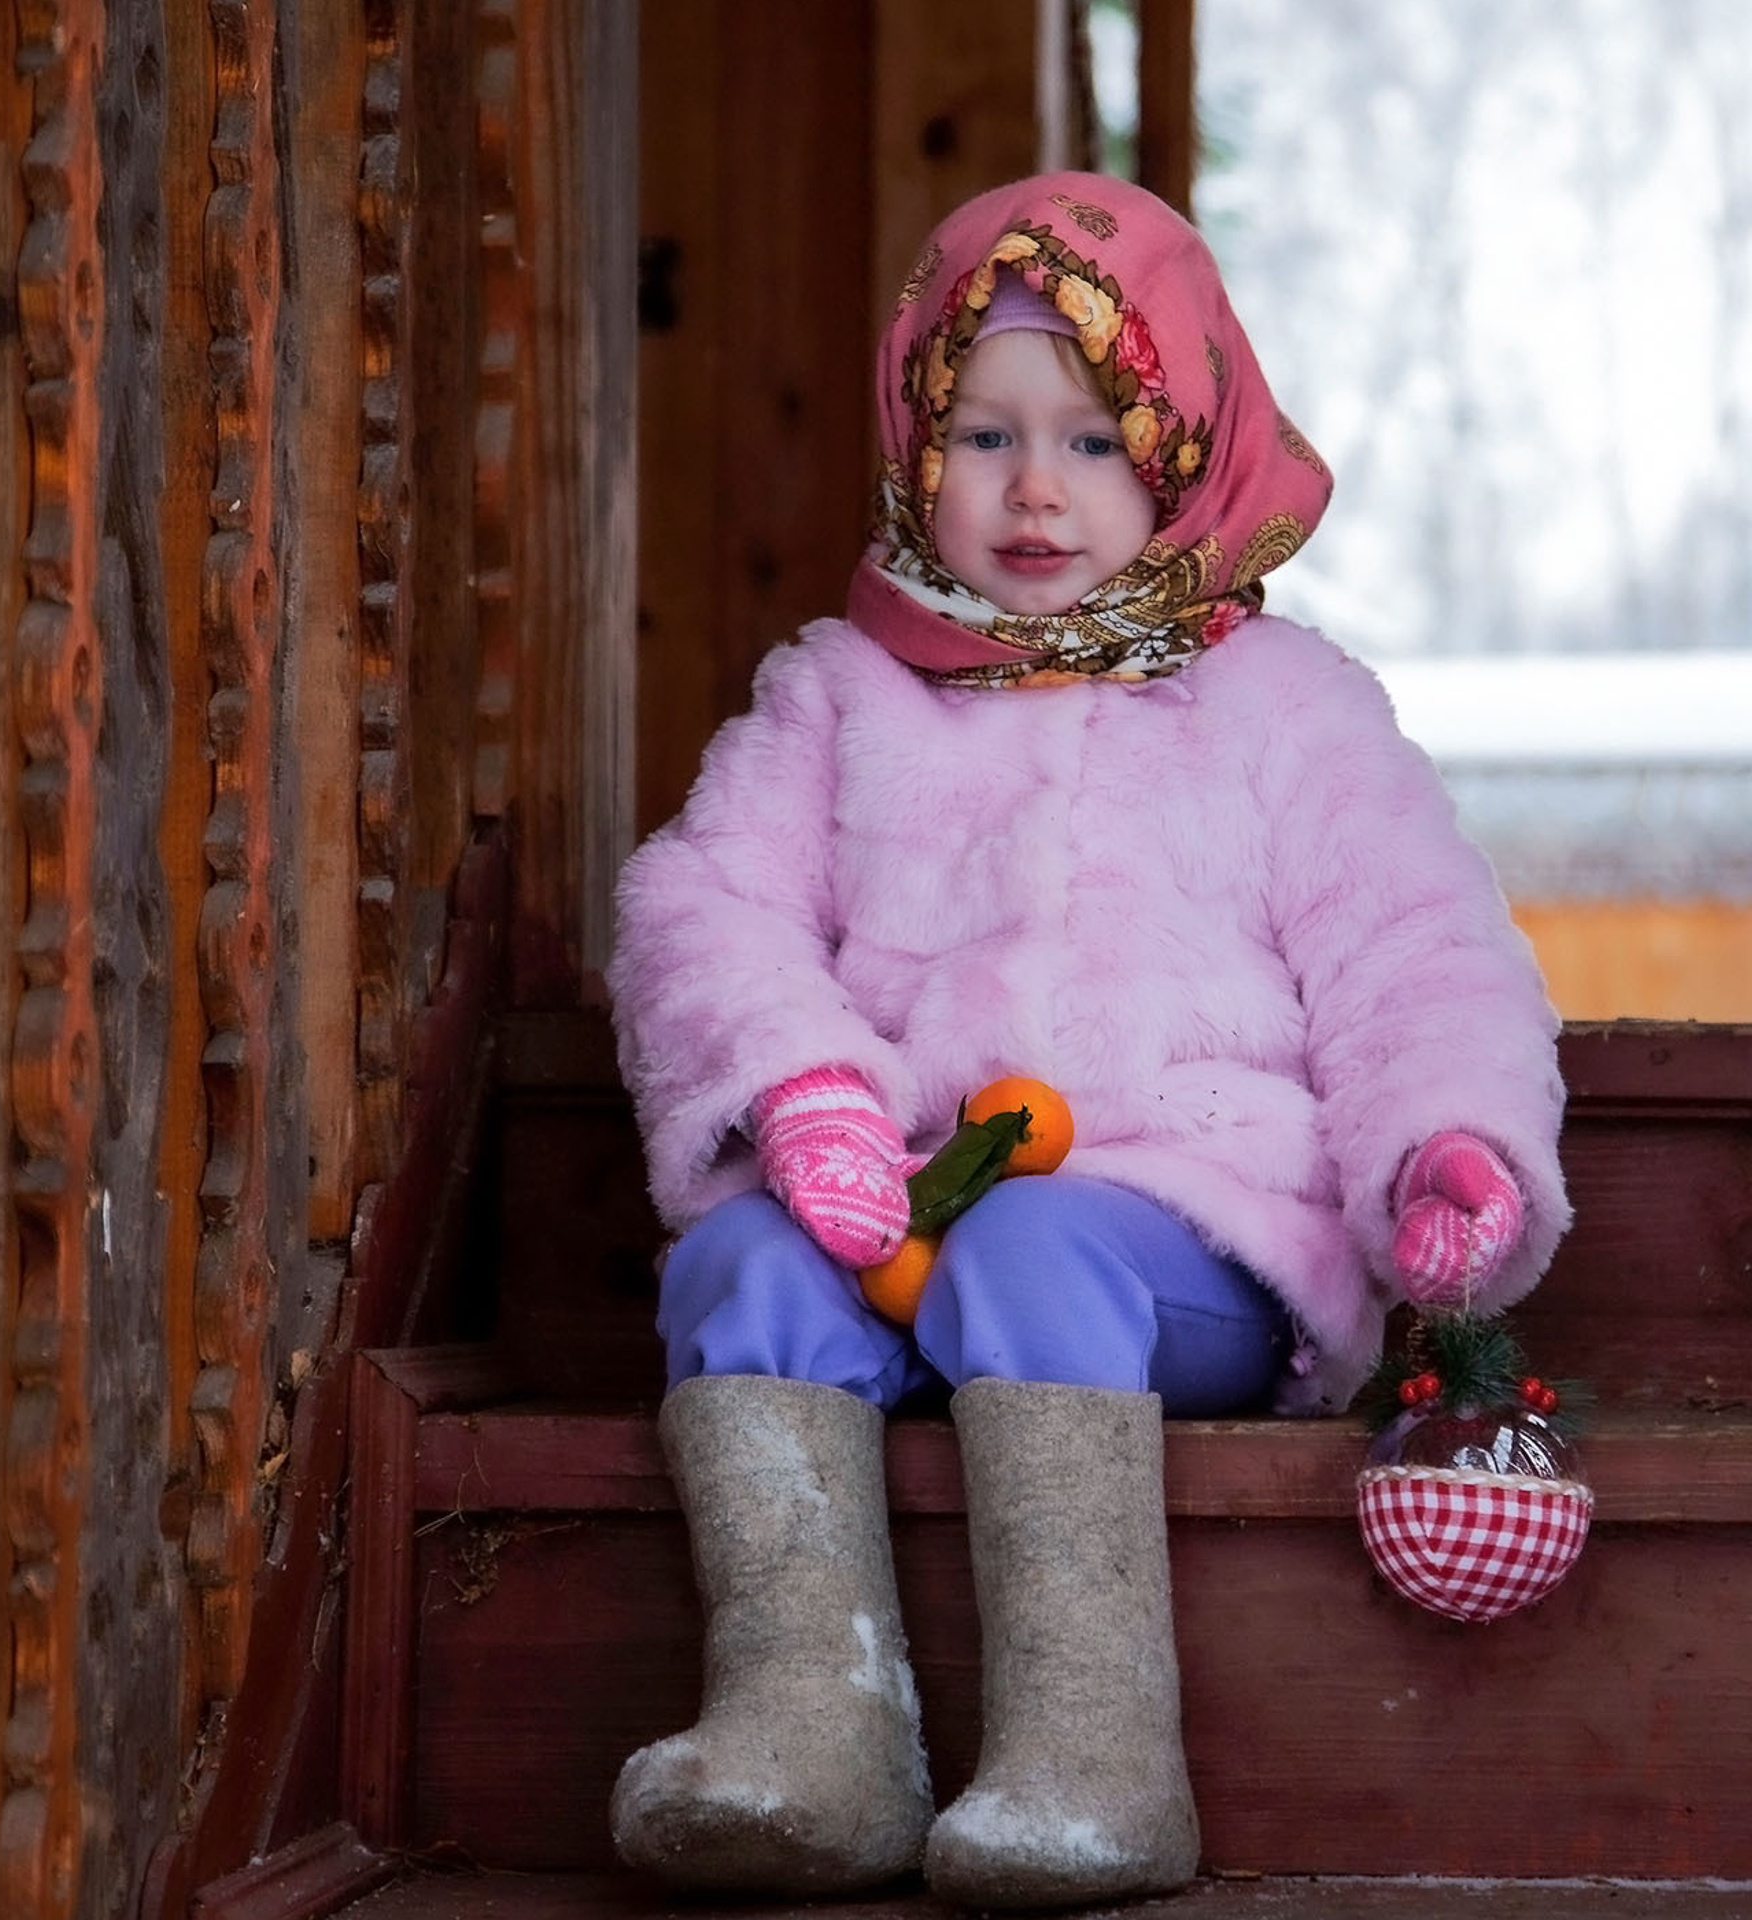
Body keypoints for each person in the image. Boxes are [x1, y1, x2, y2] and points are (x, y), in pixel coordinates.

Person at [604, 172, 1570, 1910]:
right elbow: (704, 904)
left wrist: (1452, 1144)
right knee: (739, 1265)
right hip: (895, 1207)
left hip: (1175, 1230)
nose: (1036, 489)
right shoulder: (840, 691)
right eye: (983, 435)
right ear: (918, 442)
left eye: (1096, 439)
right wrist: (808, 1088)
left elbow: (1414, 953)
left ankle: (1090, 1758)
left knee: (1041, 1251)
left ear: (1184, 450)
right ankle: (813, 1733)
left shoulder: (1285, 708)